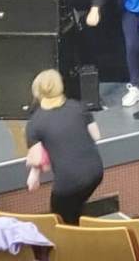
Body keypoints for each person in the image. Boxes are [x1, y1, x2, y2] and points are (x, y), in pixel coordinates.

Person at [24, 70, 103, 223]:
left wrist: (34, 174)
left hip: (68, 183)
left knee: (60, 218)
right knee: (76, 205)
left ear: (37, 91)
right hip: (95, 173)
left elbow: (37, 160)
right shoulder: (78, 107)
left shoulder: (35, 123)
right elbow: (96, 135)